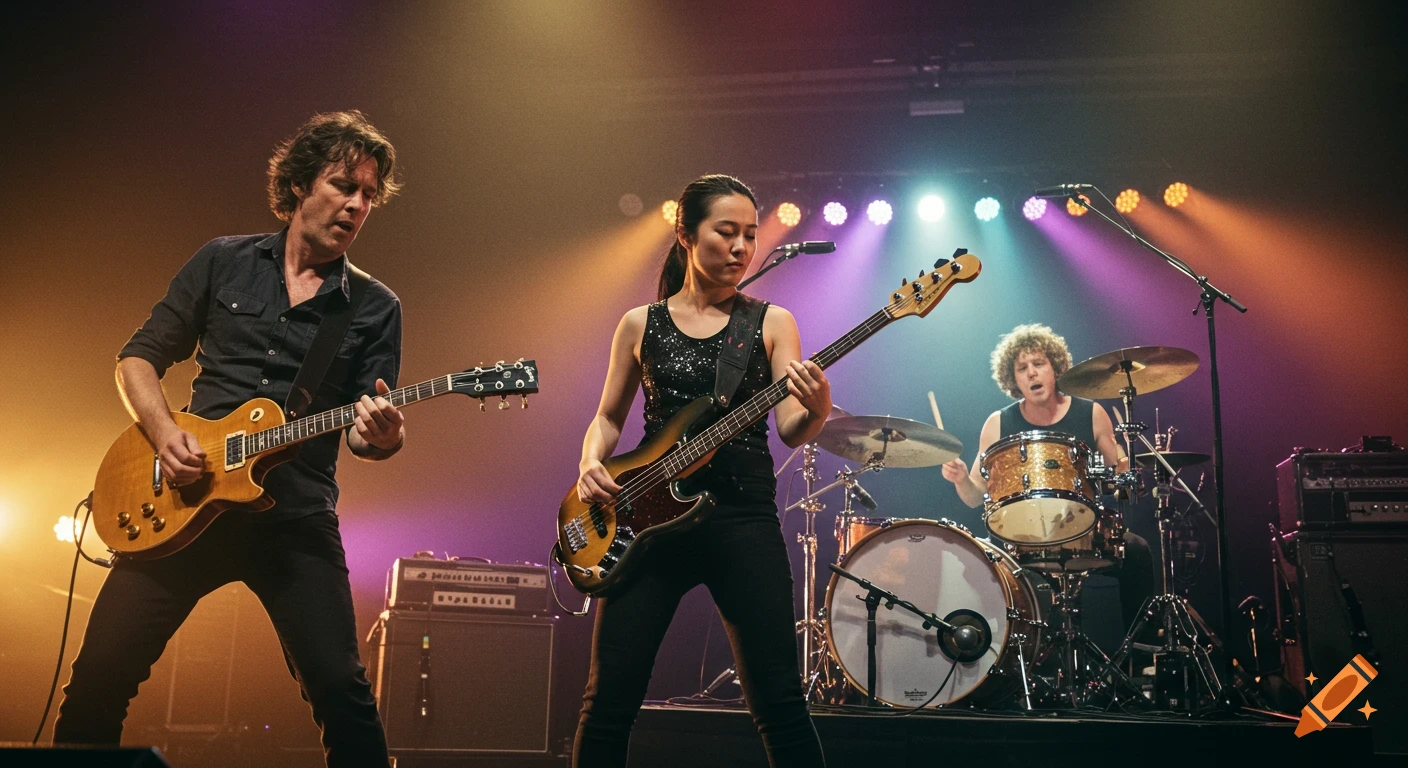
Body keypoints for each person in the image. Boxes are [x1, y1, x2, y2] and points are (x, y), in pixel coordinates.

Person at [55, 111, 406, 768]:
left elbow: (369, 436)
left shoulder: (375, 306)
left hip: (294, 520)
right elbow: (137, 359)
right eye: (342, 185)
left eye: (368, 195)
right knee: (98, 679)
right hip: (182, 503)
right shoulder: (222, 260)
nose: (357, 204)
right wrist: (164, 437)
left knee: (343, 694)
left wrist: (381, 435)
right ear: (301, 184)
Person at [573, 175, 828, 767]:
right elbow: (609, 418)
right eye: (727, 232)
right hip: (647, 522)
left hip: (742, 520)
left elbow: (791, 427)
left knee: (780, 705)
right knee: (607, 703)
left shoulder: (771, 322)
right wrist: (590, 461)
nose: (742, 248)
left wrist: (815, 406)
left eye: (750, 236)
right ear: (686, 235)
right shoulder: (640, 322)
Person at [941, 323, 1156, 631]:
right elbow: (976, 497)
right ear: (1012, 379)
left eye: (1039, 364)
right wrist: (961, 478)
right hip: (1019, 537)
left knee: (1136, 551)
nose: (1031, 373)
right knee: (974, 565)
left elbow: (1122, 476)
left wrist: (1127, 470)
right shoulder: (998, 423)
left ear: (1055, 368)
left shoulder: (1091, 413)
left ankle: (1143, 656)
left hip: (1083, 531)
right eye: (1022, 368)